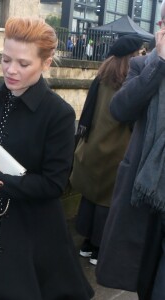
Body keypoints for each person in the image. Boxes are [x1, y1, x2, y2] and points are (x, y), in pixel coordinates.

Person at [0, 17, 94, 300]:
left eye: (23, 64)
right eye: (5, 59)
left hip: (31, 230)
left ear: (46, 63)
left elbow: (53, 185)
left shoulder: (58, 114)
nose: (11, 70)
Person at [96, 2, 165, 299]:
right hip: (146, 193)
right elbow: (120, 109)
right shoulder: (143, 65)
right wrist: (159, 64)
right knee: (145, 276)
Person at [70, 35, 142, 267]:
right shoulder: (129, 84)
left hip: (92, 149)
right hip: (116, 152)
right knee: (108, 203)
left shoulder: (100, 78)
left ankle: (87, 244)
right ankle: (99, 249)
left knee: (91, 197)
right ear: (131, 57)